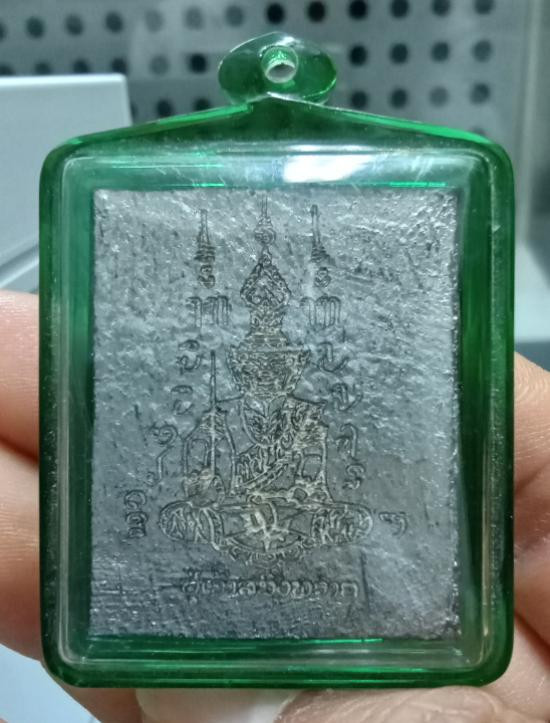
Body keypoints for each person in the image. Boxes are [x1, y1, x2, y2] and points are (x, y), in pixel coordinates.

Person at [1, 288, 549, 723]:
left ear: (291, 371)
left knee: (348, 517)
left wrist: (291, 500)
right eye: (256, 370)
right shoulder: (218, 418)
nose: (266, 379)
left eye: (277, 370)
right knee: (180, 517)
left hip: (291, 516)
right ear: (241, 370)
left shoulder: (308, 419)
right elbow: (199, 482)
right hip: (231, 516)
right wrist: (213, 495)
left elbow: (314, 486)